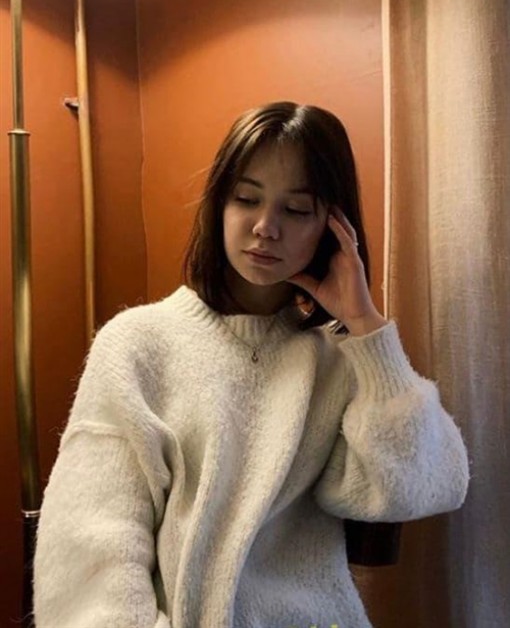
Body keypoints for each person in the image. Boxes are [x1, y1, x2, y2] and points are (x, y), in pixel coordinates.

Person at [32, 101, 470, 628]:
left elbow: (417, 488)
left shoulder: (339, 363)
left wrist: (365, 325)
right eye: (246, 199)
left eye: (297, 209)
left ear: (333, 228)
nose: (265, 227)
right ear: (219, 203)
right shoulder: (138, 345)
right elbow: (90, 547)